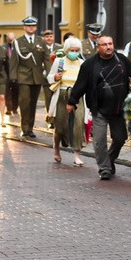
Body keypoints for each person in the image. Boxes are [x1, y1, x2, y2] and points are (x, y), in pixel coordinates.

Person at [67, 35, 131, 180]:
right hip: (99, 109)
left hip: (119, 109)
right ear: (98, 47)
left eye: (110, 44)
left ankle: (109, 159)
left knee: (120, 138)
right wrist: (72, 101)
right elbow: (80, 84)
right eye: (104, 44)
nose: (108, 47)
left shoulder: (121, 59)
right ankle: (104, 169)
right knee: (99, 141)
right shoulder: (89, 65)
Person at [48, 37, 87, 166]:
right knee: (60, 126)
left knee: (78, 124)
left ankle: (76, 155)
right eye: (72, 50)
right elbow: (49, 77)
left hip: (77, 96)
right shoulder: (59, 61)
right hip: (62, 96)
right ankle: (56, 149)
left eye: (76, 50)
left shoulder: (82, 63)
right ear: (66, 50)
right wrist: (55, 77)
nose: (74, 53)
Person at [9, 17, 47, 138]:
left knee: (33, 103)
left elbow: (46, 59)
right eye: (29, 26)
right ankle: (24, 127)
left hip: (37, 76)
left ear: (36, 27)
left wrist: (50, 73)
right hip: (23, 76)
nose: (31, 28)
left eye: (33, 26)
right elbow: (14, 61)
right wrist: (13, 77)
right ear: (24, 27)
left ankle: (30, 128)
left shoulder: (41, 41)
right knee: (25, 101)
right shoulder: (18, 42)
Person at [41, 29, 61, 123]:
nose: (49, 38)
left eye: (50, 36)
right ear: (44, 38)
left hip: (58, 78)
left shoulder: (59, 48)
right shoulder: (41, 48)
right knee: (48, 99)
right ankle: (51, 119)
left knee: (57, 98)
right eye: (47, 37)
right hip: (46, 78)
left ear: (53, 37)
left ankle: (57, 118)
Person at [4, 32, 19, 116]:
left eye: (12, 40)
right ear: (7, 39)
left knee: (16, 92)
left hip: (16, 74)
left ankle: (15, 108)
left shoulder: (18, 47)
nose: (11, 41)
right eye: (9, 40)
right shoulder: (3, 47)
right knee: (7, 93)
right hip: (6, 74)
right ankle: (9, 108)